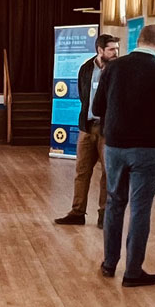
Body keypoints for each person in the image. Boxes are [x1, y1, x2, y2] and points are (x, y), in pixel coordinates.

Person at [92, 22, 155, 284]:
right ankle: (132, 273)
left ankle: (109, 264)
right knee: (140, 210)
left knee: (114, 204)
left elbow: (97, 108)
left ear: (138, 39)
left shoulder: (113, 67)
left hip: (115, 147)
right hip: (147, 149)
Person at [54, 33, 119, 227]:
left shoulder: (118, 70)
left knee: (108, 173)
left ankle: (104, 215)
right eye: (111, 49)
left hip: (109, 130)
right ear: (100, 50)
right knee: (81, 171)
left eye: (116, 48)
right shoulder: (86, 68)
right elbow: (84, 96)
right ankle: (77, 212)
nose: (115, 52)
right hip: (87, 127)